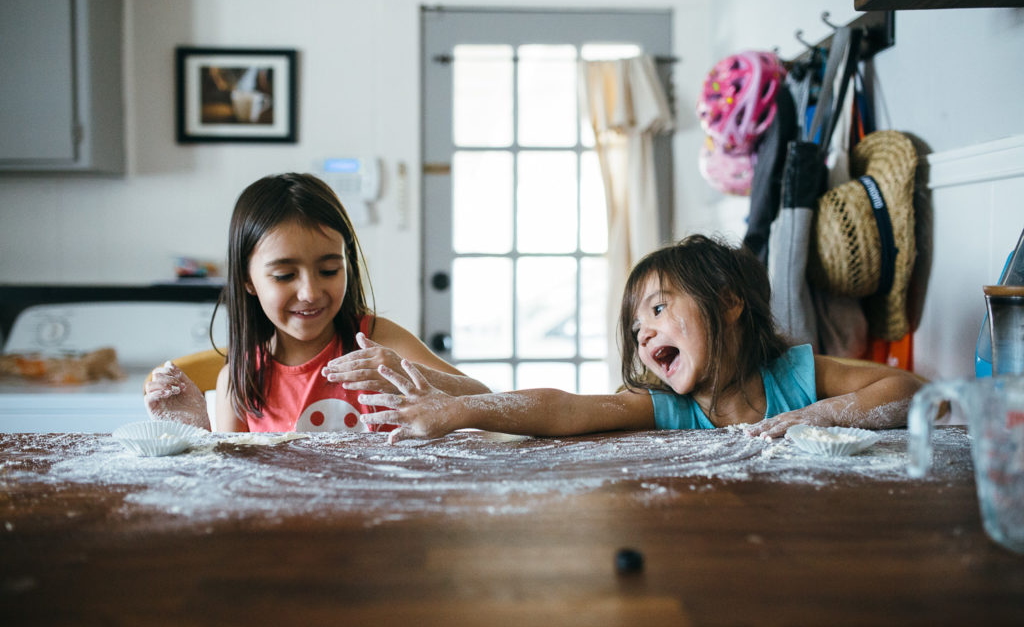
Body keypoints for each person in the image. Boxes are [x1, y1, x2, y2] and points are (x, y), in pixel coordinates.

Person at [360, 234, 923, 443]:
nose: (644, 331)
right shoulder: (667, 409)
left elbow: (910, 390)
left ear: (729, 302)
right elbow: (562, 410)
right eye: (635, 327)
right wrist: (459, 409)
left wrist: (825, 414)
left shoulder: (795, 377)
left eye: (658, 308)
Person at [144, 173, 489, 432]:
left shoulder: (377, 341)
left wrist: (410, 375)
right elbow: (232, 486)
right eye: (284, 276)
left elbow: (483, 398)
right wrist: (195, 433)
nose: (310, 292)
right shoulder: (239, 379)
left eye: (328, 269)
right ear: (247, 280)